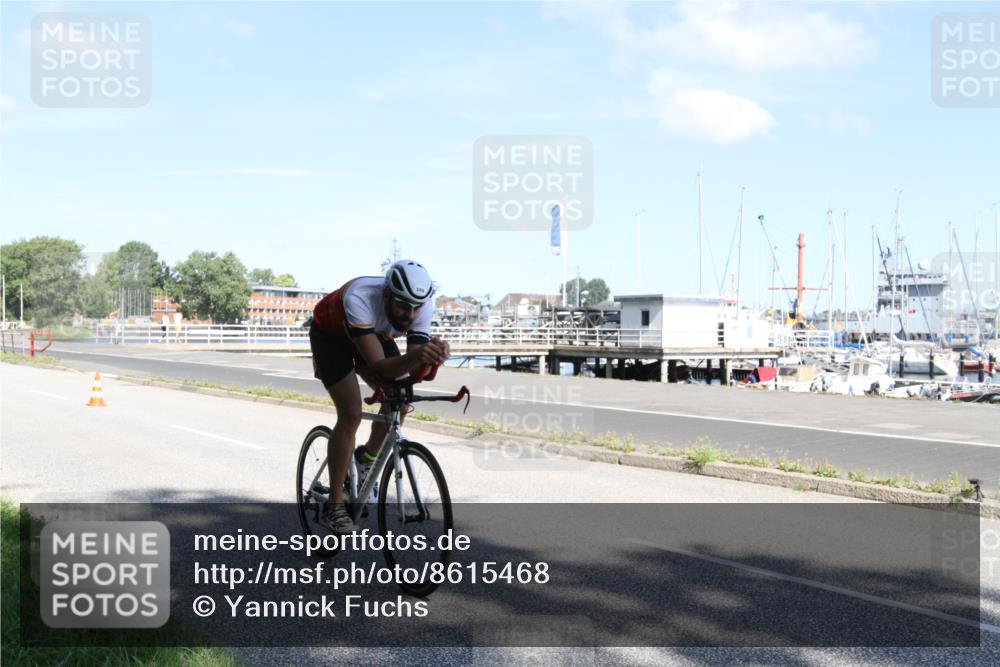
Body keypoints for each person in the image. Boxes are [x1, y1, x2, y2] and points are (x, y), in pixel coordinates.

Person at [309, 260, 450, 533]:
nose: (410, 314)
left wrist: (433, 358)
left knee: (401, 401)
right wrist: (418, 356)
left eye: (415, 307)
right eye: (402, 306)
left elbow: (412, 369)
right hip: (331, 338)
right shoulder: (360, 296)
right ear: (386, 295)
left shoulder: (419, 305)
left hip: (372, 332)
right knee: (350, 413)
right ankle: (335, 505)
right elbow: (378, 367)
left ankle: (365, 462)